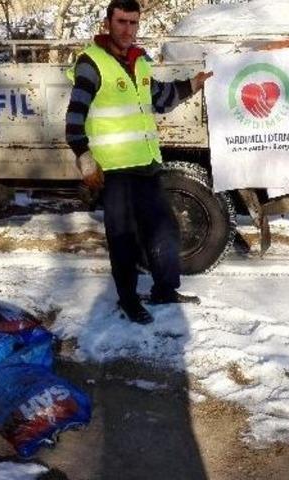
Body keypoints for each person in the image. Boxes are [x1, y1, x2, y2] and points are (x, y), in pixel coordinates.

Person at [65, 0, 212, 324]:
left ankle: (164, 289)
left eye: (133, 23)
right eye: (121, 22)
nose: (127, 29)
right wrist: (86, 161)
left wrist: (193, 84)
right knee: (124, 239)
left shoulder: (140, 61)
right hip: (115, 171)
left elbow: (160, 99)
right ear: (108, 23)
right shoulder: (92, 63)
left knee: (164, 230)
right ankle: (129, 301)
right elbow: (74, 119)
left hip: (146, 164)